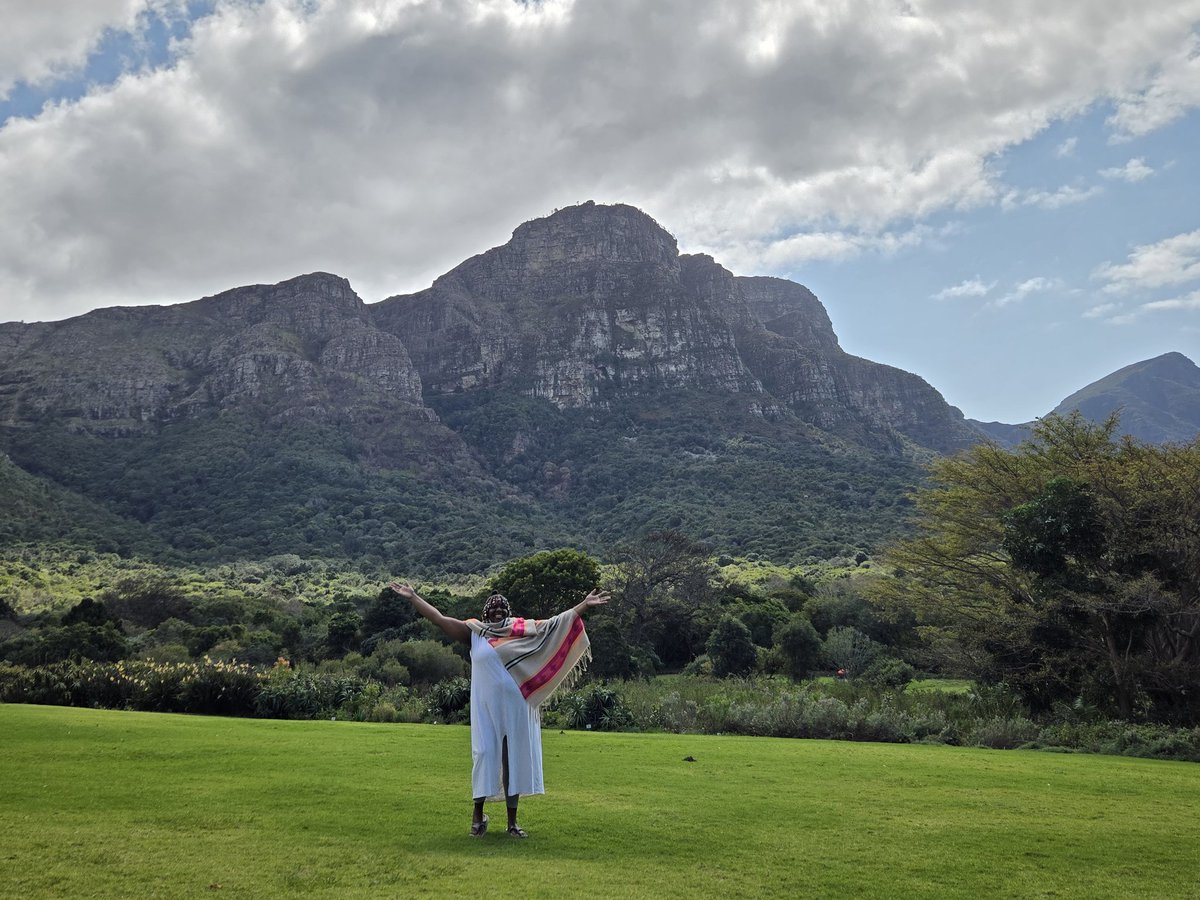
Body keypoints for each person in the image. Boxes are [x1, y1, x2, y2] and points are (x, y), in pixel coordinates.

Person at [388, 581, 608, 838]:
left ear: (508, 611)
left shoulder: (522, 630)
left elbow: (555, 624)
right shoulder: (475, 633)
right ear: (485, 612)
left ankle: (512, 823)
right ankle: (478, 816)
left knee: (512, 760)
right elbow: (439, 619)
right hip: (485, 710)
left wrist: (584, 605)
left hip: (517, 708)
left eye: (502, 607)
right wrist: (413, 597)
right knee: (484, 755)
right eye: (493, 607)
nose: (498, 610)